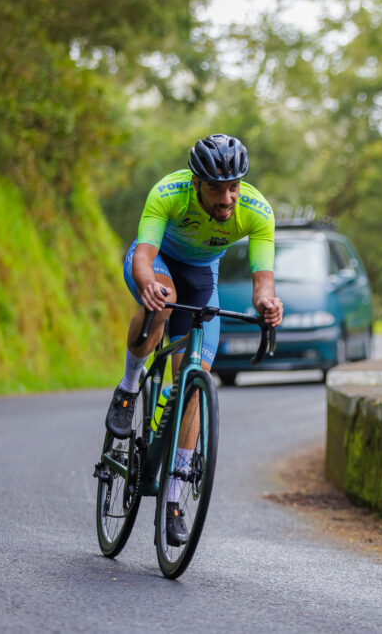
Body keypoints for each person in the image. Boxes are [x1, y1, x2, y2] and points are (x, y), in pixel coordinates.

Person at [104, 133, 283, 545]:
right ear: (196, 182)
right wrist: (148, 285)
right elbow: (144, 256)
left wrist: (268, 304)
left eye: (234, 187)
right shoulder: (169, 193)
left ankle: (173, 500)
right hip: (159, 264)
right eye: (217, 188)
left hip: (203, 277)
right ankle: (128, 388)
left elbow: (263, 283)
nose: (227, 198)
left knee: (195, 380)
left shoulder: (257, 211)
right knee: (164, 301)